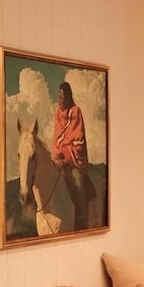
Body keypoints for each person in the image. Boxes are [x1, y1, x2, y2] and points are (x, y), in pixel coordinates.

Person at [51, 81, 95, 229]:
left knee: (77, 181)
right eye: (58, 97)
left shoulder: (76, 111)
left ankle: (82, 220)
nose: (60, 101)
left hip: (74, 161)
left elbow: (78, 140)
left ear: (69, 98)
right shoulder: (57, 114)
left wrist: (64, 155)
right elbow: (56, 137)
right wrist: (57, 155)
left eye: (62, 98)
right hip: (60, 160)